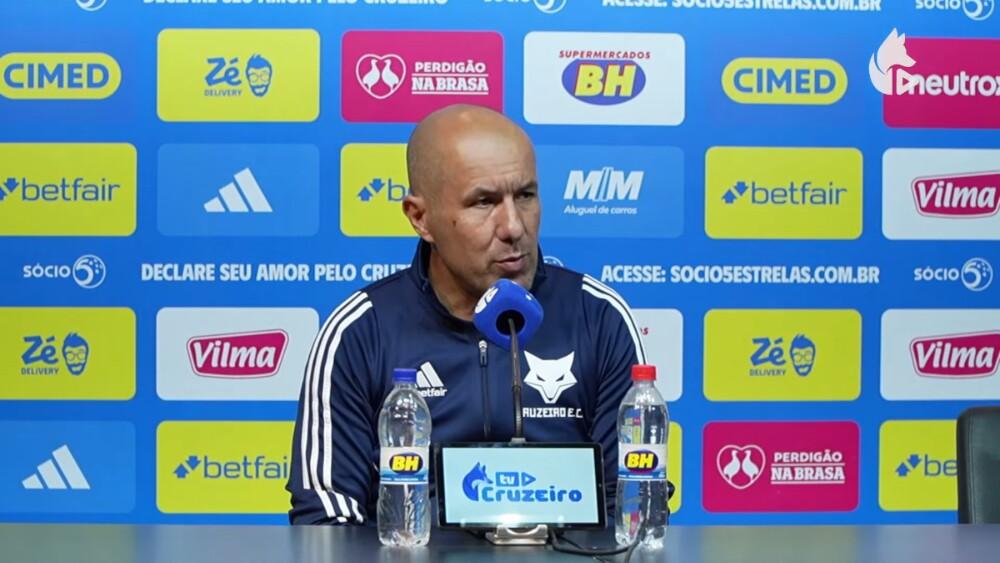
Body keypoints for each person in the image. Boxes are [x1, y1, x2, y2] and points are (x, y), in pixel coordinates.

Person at [287, 104, 649, 524]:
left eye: (526, 196)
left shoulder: (598, 318)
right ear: (420, 218)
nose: (513, 226)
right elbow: (327, 521)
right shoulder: (360, 332)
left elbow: (632, 510)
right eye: (484, 202)